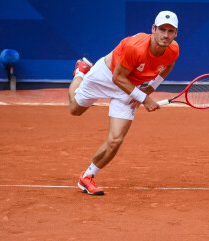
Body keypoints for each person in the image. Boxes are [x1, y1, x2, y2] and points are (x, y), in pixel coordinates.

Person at [68, 11, 180, 195]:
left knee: (116, 140)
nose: (165, 35)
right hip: (106, 76)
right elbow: (117, 77)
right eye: (162, 29)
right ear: (153, 29)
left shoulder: (173, 49)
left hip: (130, 86)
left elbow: (168, 66)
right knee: (75, 109)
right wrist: (144, 99)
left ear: (175, 33)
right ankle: (81, 72)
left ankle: (87, 177)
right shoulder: (135, 47)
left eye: (170, 31)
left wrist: (149, 89)